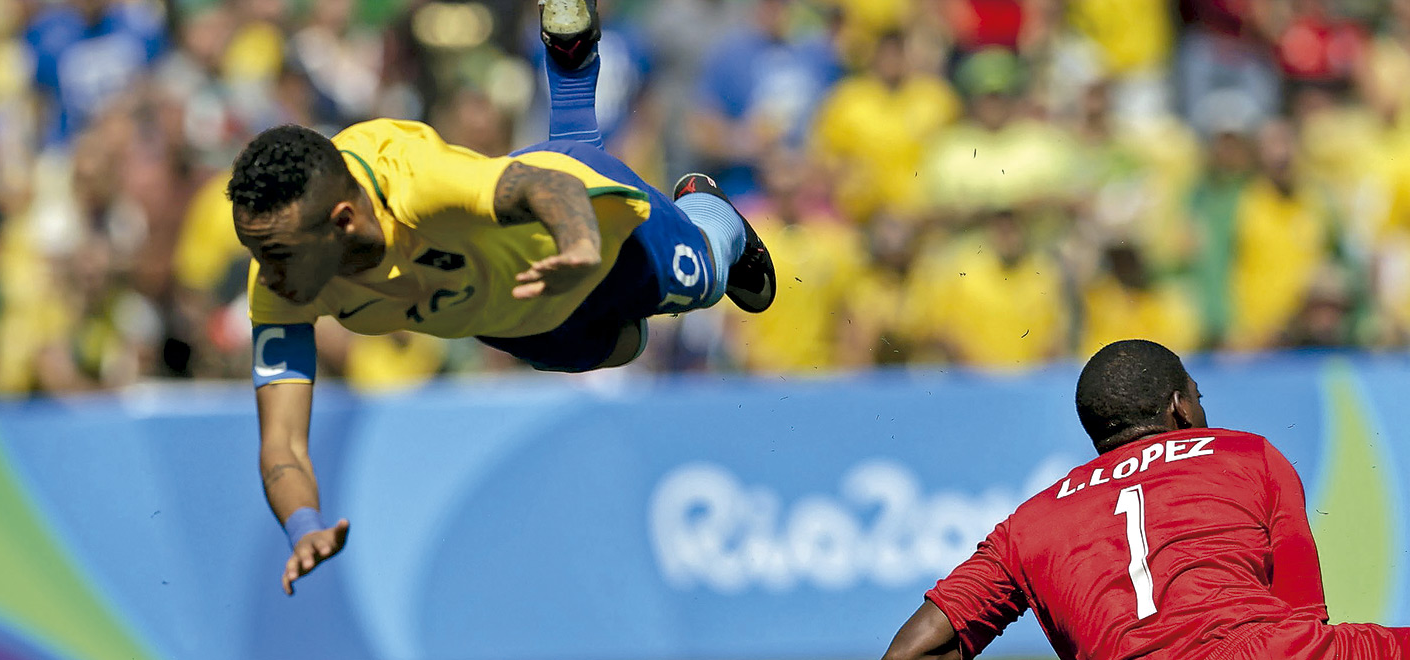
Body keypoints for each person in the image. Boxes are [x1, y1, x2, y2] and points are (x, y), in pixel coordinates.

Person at [229, 0, 776, 595]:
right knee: (621, 344)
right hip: (521, 320)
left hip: (577, 230)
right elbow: (281, 443)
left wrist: (580, 247)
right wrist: (303, 523)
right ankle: (569, 58)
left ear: (341, 221)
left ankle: (708, 210)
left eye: (279, 256)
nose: (266, 277)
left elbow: (547, 186)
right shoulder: (279, 286)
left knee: (698, 279)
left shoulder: (411, 179)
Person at [880, 339, 1410, 660]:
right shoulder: (1247, 454)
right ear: (1179, 408)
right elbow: (1303, 621)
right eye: (1199, 396)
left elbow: (914, 649)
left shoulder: (1028, 523)